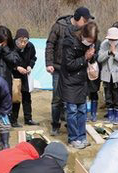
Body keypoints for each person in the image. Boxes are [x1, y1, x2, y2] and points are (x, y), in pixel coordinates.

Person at [46, 6, 94, 136]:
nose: (86, 23)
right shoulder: (59, 26)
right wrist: (49, 63)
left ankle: (69, 124)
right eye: (84, 20)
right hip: (58, 67)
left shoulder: (83, 30)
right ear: (77, 18)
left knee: (71, 100)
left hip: (75, 69)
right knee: (57, 97)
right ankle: (55, 124)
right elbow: (50, 44)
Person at [58, 22, 99, 149]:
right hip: (69, 81)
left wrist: (91, 56)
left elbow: (92, 60)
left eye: (92, 40)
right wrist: (85, 58)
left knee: (82, 110)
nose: (89, 42)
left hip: (82, 81)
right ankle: (73, 138)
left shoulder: (92, 44)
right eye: (88, 39)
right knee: (72, 111)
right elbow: (69, 64)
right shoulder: (69, 43)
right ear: (83, 35)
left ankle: (82, 137)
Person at [98, 27, 118, 125]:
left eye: (114, 39)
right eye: (110, 39)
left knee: (117, 96)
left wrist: (115, 53)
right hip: (107, 74)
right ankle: (110, 114)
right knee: (108, 96)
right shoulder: (103, 44)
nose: (112, 41)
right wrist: (108, 52)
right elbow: (99, 58)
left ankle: (116, 116)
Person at [11, 28, 38, 127]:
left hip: (26, 74)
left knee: (27, 97)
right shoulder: (11, 47)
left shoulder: (30, 46)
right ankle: (13, 120)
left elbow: (33, 57)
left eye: (25, 41)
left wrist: (30, 65)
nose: (23, 44)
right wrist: (16, 67)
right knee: (16, 98)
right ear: (16, 40)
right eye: (20, 41)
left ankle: (28, 119)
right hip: (14, 75)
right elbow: (7, 61)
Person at [87, 38, 102, 122]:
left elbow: (100, 56)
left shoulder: (98, 43)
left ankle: (93, 113)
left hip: (95, 71)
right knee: (84, 92)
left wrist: (92, 56)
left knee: (94, 92)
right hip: (84, 69)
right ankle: (85, 113)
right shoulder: (83, 41)